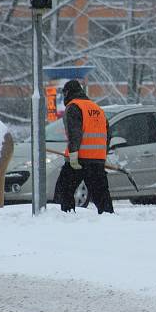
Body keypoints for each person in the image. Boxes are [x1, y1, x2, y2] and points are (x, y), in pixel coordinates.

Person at [54, 80, 114, 214]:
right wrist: (102, 155)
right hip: (97, 160)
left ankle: (65, 217)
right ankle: (110, 219)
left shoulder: (74, 106)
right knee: (101, 195)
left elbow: (75, 132)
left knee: (64, 190)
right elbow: (108, 134)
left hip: (79, 160)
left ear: (68, 92)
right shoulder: (97, 108)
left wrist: (73, 155)